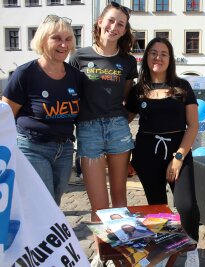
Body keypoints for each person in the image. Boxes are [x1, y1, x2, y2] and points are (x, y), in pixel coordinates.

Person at [125, 37, 200, 267]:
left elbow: (193, 126)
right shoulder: (138, 90)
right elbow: (122, 122)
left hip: (178, 151)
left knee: (186, 205)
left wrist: (178, 157)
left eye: (163, 53)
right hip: (147, 154)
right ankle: (163, 251)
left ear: (170, 59)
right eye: (153, 53)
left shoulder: (182, 86)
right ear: (146, 57)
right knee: (157, 207)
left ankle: (192, 248)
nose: (158, 57)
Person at [69, 1, 138, 222]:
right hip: (88, 131)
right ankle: (102, 254)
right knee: (99, 203)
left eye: (121, 24)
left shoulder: (127, 62)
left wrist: (122, 122)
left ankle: (118, 252)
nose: (114, 27)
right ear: (100, 22)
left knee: (119, 198)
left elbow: (129, 100)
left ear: (124, 30)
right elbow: (72, 94)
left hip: (118, 129)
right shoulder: (79, 57)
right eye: (111, 20)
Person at [1, 15, 80, 205]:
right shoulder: (25, 73)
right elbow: (5, 116)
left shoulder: (75, 76)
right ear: (43, 39)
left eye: (68, 39)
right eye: (57, 38)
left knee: (55, 200)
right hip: (32, 147)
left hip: (65, 148)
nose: (63, 44)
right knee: (44, 203)